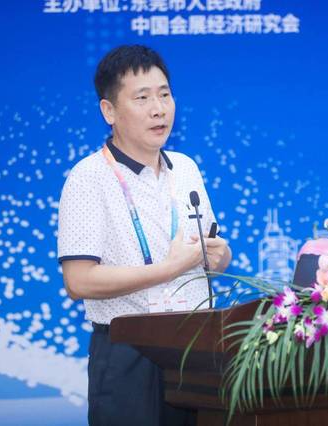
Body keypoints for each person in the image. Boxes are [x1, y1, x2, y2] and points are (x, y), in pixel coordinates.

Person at [57, 45, 231, 426]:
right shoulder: (87, 178)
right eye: (142, 98)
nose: (159, 109)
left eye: (164, 94)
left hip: (196, 348)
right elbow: (79, 281)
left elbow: (210, 256)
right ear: (109, 111)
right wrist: (169, 268)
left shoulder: (186, 168)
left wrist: (219, 256)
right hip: (129, 354)